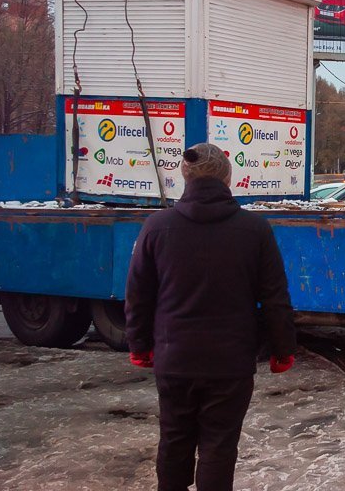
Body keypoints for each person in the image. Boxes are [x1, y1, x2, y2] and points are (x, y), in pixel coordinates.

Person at [125, 143, 297, 491]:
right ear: (228, 178)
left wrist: (139, 344)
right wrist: (283, 349)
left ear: (185, 177)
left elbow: (138, 294)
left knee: (174, 441)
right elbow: (275, 297)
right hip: (230, 364)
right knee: (219, 447)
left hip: (175, 359)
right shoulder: (255, 229)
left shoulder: (157, 226)